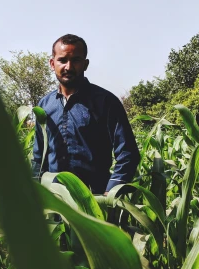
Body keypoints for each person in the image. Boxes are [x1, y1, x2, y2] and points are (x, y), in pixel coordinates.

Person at [32, 34, 140, 194]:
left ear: (85, 64)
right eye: (62, 60)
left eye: (76, 60)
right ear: (52, 63)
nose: (68, 67)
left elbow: (128, 154)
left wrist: (109, 193)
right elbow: (38, 156)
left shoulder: (106, 102)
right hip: (56, 202)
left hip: (96, 199)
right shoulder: (45, 105)